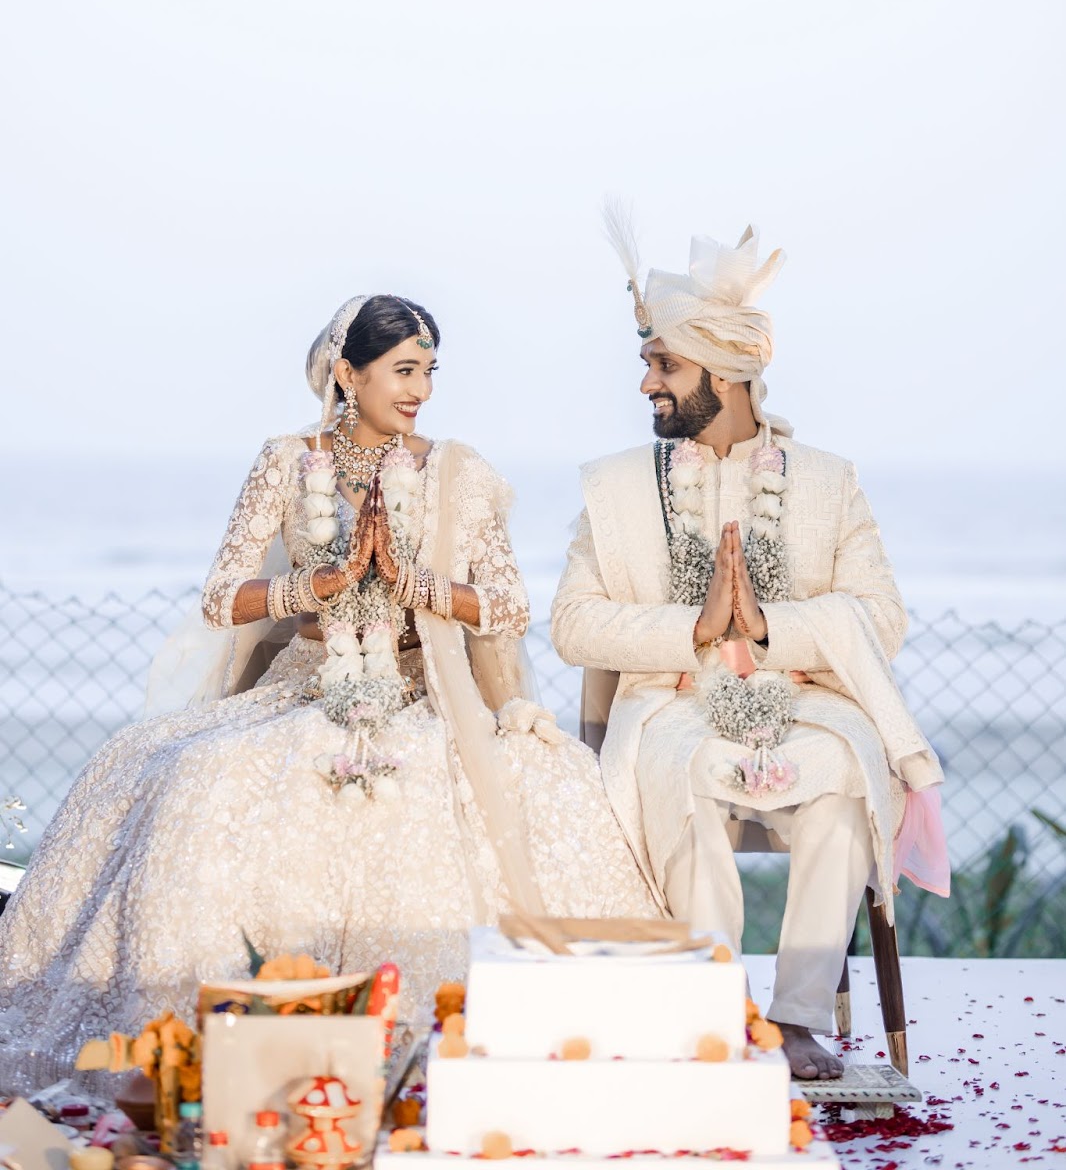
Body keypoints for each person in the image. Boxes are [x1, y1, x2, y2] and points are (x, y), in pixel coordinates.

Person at [0, 293, 656, 1094]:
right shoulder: (286, 460)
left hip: (422, 693)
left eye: (429, 372)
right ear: (348, 373)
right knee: (187, 777)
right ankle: (216, 1030)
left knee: (546, 788)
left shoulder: (460, 471)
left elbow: (511, 607)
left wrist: (415, 585)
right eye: (403, 371)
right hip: (305, 687)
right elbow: (220, 598)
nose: (420, 391)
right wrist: (324, 583)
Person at [551, 216, 948, 1081]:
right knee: (685, 776)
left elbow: (882, 618)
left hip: (803, 697)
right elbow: (573, 623)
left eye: (665, 365)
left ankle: (798, 1016)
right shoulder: (616, 489)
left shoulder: (826, 482)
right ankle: (712, 1005)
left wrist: (770, 626)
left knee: (849, 775)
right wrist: (692, 628)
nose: (648, 384)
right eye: (648, 364)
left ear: (726, 372)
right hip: (676, 704)